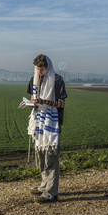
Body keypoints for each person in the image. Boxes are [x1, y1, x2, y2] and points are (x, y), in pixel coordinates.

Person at [27, 54, 67, 203]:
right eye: (37, 69)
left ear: (47, 67)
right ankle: (44, 186)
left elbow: (62, 103)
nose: (39, 72)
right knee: (42, 156)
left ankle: (51, 193)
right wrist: (31, 103)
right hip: (39, 123)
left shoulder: (57, 80)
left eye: (41, 69)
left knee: (51, 156)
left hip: (51, 123)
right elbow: (33, 99)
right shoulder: (34, 80)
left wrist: (44, 101)